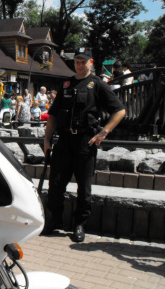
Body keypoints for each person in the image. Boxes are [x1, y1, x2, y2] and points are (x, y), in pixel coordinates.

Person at [43, 50, 126, 242]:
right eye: (77, 62)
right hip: (63, 141)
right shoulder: (66, 84)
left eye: (83, 62)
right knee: (55, 184)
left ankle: (80, 224)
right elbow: (53, 115)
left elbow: (120, 110)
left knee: (84, 187)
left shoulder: (98, 84)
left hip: (85, 142)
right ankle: (55, 220)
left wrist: (104, 132)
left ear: (91, 62)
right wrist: (46, 140)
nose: (79, 65)